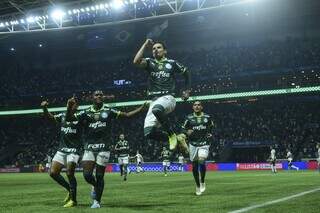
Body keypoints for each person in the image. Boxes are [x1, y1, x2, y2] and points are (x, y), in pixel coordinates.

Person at [69, 90, 146, 208]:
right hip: (89, 147)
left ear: (103, 97)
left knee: (99, 176)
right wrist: (70, 107)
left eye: (101, 94)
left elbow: (126, 115)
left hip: (103, 148)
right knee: (87, 175)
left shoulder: (109, 110)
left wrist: (141, 108)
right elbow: (70, 118)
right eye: (96, 95)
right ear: (92, 97)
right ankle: (95, 186)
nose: (99, 96)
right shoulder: (86, 112)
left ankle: (97, 201)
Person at [133, 39, 191, 151]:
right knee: (148, 133)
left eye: (159, 48)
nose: (155, 50)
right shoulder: (149, 62)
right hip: (153, 100)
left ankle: (171, 134)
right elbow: (136, 61)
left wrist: (187, 90)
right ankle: (179, 138)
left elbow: (186, 72)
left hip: (168, 98)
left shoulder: (172, 63)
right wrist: (145, 44)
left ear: (165, 51)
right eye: (153, 48)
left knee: (156, 110)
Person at [41, 99, 81, 207]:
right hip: (62, 149)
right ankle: (69, 189)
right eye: (70, 104)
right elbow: (51, 118)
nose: (71, 105)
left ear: (77, 106)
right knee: (53, 173)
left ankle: (74, 200)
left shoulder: (80, 117)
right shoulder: (63, 115)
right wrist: (44, 108)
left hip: (74, 150)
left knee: (69, 173)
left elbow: (71, 117)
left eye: (73, 104)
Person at [181, 101, 214, 195]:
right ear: (193, 107)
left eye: (199, 105)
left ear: (201, 107)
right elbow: (182, 128)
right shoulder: (189, 118)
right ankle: (198, 185)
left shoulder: (207, 117)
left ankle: (202, 181)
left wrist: (210, 133)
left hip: (204, 143)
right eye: (195, 105)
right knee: (194, 167)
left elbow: (211, 126)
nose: (197, 106)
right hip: (193, 144)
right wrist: (187, 132)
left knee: (202, 161)